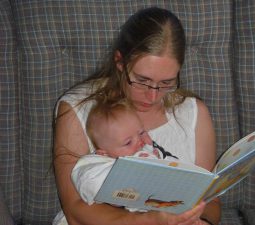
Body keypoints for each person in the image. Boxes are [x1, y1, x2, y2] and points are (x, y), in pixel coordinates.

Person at [53, 6, 221, 225]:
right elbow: (75, 213)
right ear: (120, 62)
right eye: (141, 80)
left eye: (166, 83)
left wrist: (200, 220)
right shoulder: (77, 108)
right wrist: (150, 220)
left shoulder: (194, 112)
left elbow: (212, 204)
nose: (152, 96)